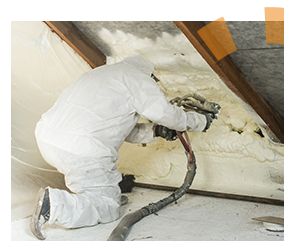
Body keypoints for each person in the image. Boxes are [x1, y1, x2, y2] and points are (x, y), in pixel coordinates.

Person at [30, 52, 216, 240]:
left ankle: (88, 195)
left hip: (48, 139)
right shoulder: (137, 78)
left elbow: (120, 128)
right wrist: (201, 121)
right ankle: (54, 205)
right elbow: (168, 114)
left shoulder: (101, 73)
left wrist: (156, 131)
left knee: (96, 187)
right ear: (149, 75)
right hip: (81, 150)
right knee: (108, 207)